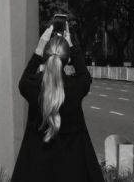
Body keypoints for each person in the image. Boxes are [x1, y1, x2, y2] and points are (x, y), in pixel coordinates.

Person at [11, 23, 104, 181]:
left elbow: (23, 81)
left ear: (44, 57)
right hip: (74, 170)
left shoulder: (33, 87)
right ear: (67, 60)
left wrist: (39, 49)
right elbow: (85, 76)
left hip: (37, 170)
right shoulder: (76, 87)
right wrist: (72, 47)